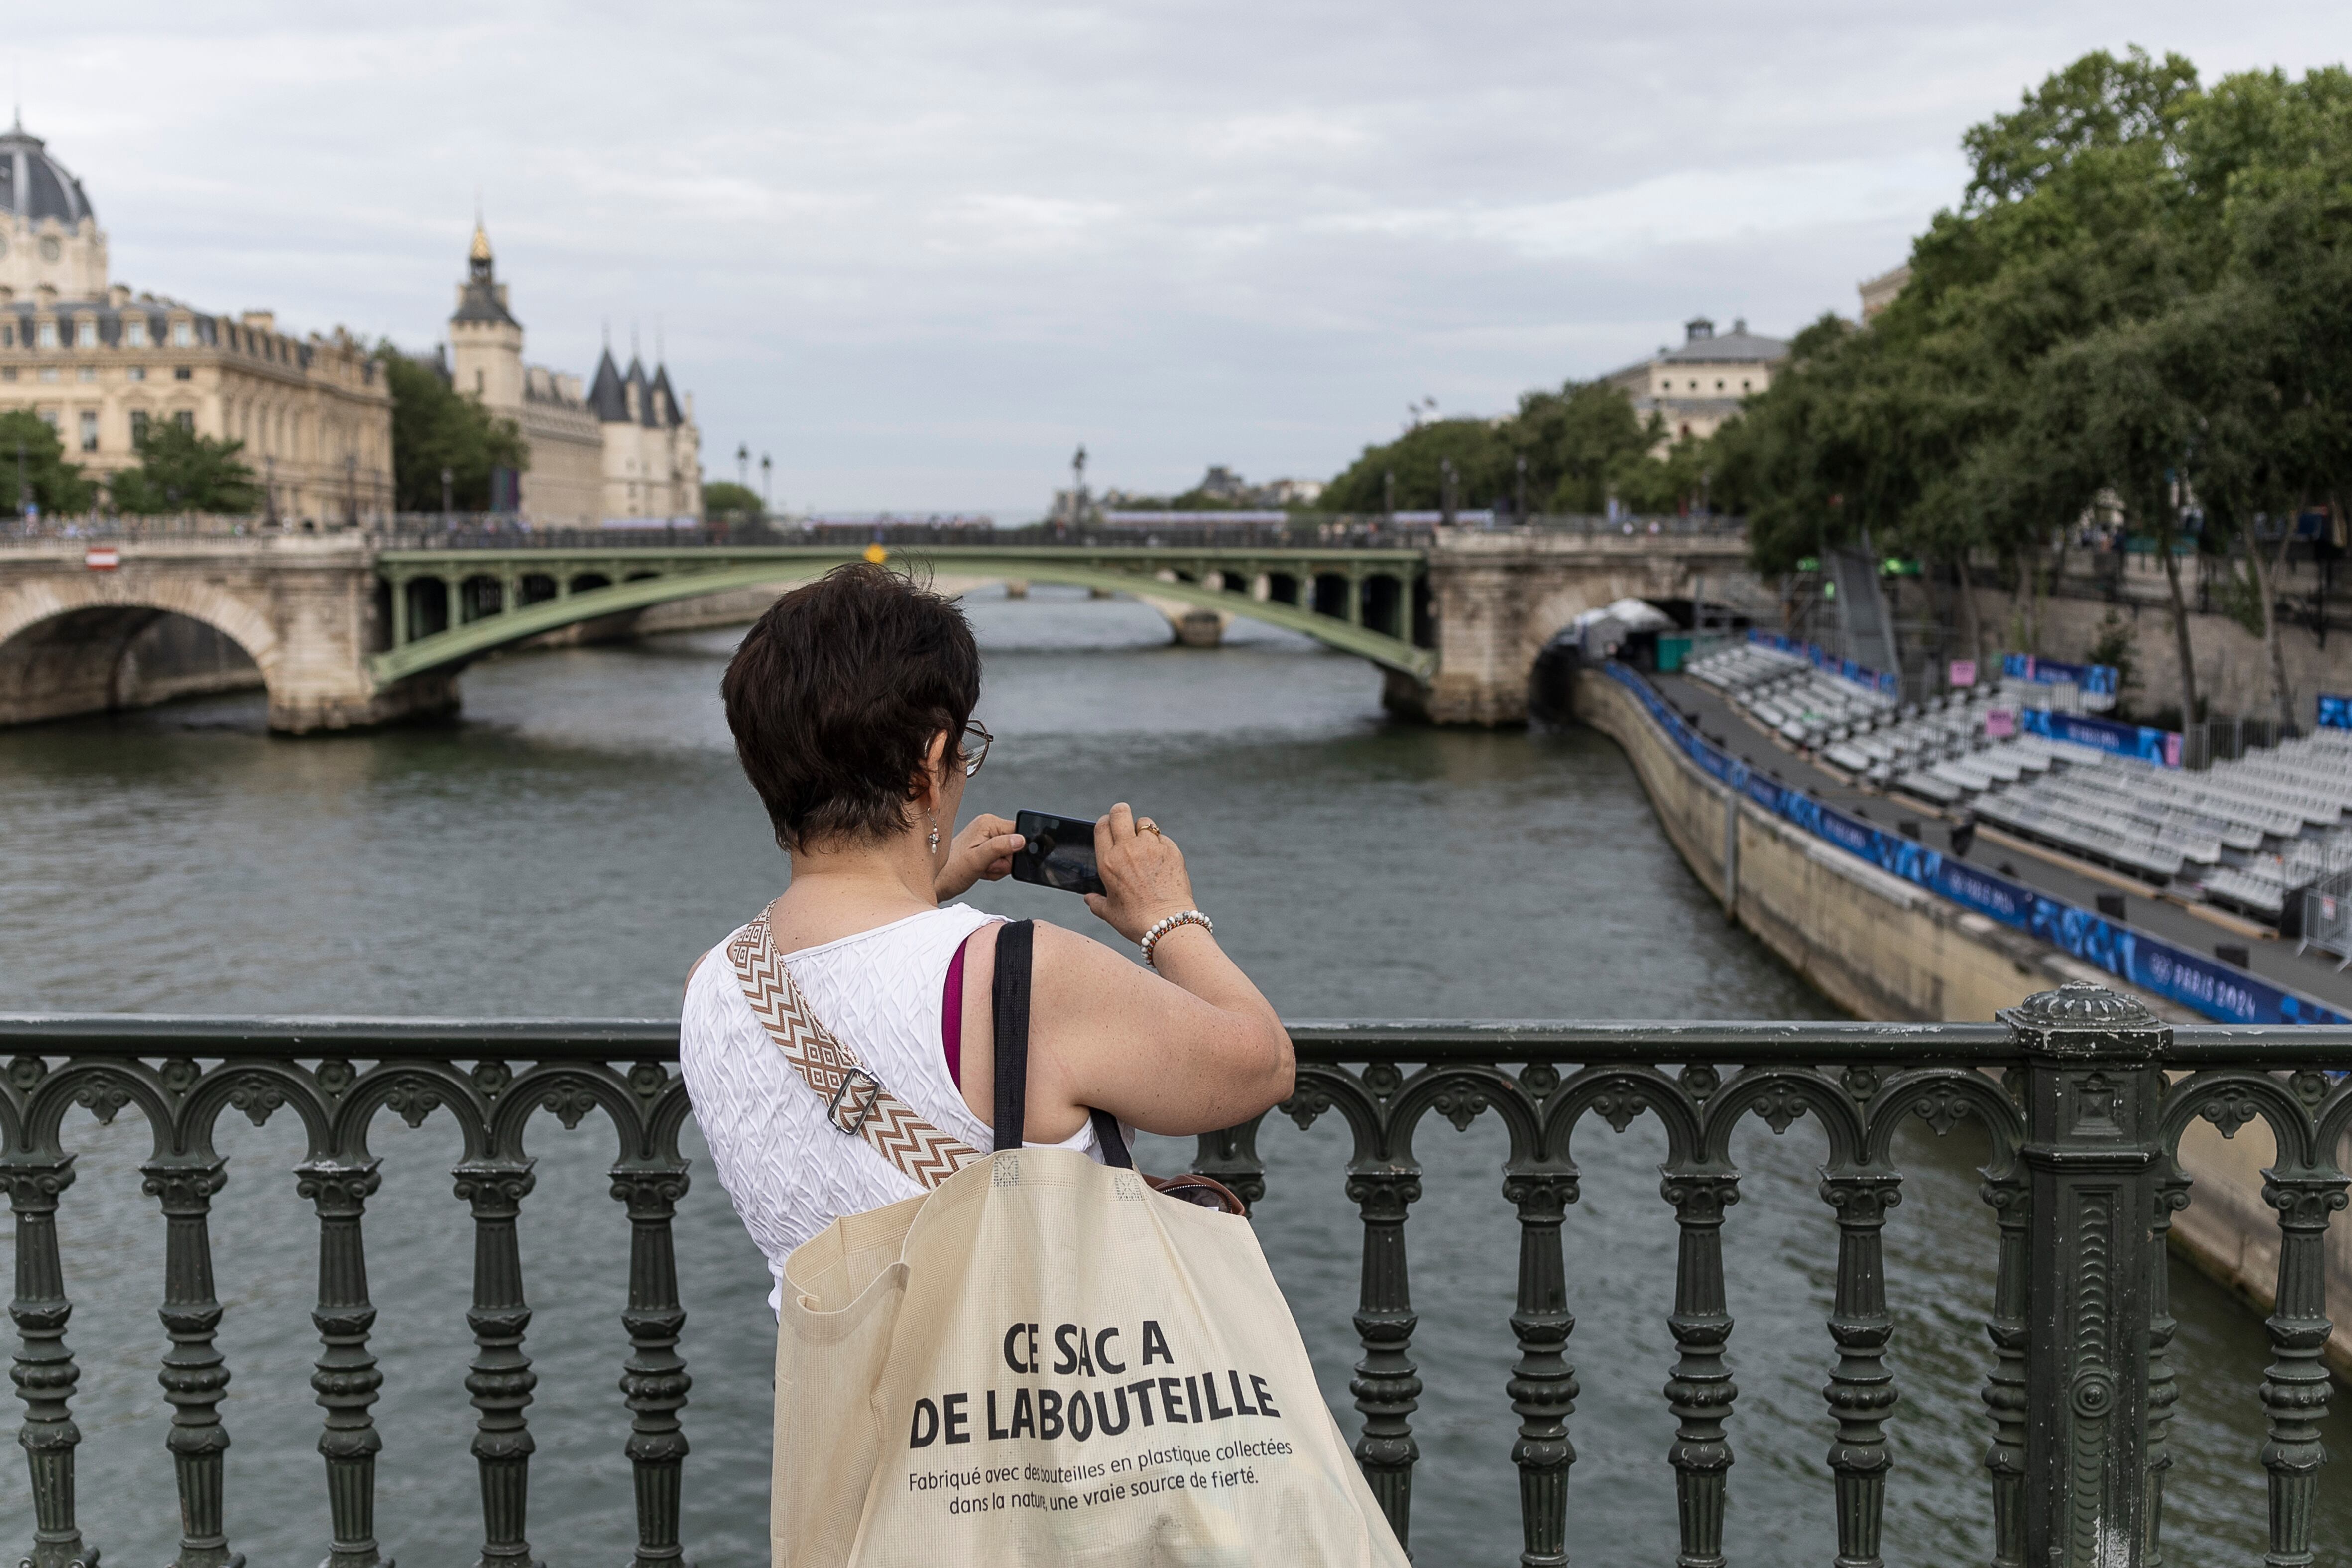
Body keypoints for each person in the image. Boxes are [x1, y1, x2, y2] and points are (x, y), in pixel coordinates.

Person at [680, 563, 1295, 1311]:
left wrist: (926, 886)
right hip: (1031, 1416)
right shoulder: (1019, 977)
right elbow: (1260, 1065)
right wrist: (1168, 914)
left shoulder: (716, 982)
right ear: (930, 766)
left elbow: (848, 972)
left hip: (836, 1420)